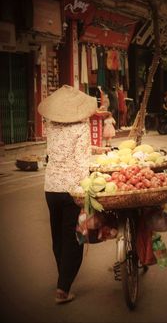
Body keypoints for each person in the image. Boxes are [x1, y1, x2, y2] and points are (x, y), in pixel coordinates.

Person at [38, 85, 97, 304]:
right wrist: (86, 185)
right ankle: (63, 289)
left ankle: (63, 273)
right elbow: (83, 160)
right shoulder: (82, 127)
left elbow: (50, 154)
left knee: (58, 235)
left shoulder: (50, 126)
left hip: (51, 187)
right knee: (74, 238)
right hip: (73, 189)